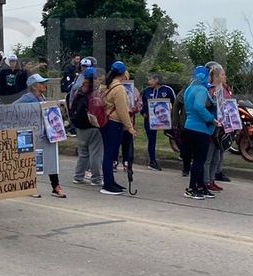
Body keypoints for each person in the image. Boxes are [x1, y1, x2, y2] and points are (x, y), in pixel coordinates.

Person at [17, 73, 66, 198]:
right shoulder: (27, 98)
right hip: (33, 134)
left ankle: (55, 186)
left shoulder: (42, 97)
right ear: (34, 87)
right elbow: (13, 108)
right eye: (41, 83)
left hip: (46, 134)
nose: (44, 85)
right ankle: (30, 186)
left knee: (51, 158)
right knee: (31, 159)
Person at [182, 65, 219, 200]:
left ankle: (201, 186)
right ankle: (192, 188)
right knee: (199, 160)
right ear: (204, 76)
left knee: (199, 159)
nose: (210, 78)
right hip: (200, 128)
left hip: (189, 126)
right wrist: (211, 119)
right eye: (208, 75)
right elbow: (199, 106)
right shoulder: (202, 90)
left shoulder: (189, 89)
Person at [99, 62, 136, 195]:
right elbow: (122, 111)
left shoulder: (106, 86)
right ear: (123, 73)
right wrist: (130, 127)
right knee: (110, 154)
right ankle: (108, 184)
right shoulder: (119, 88)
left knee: (109, 153)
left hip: (106, 122)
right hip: (114, 123)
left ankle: (110, 181)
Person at [70, 67, 104, 186]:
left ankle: (78, 177)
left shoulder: (79, 89)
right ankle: (96, 179)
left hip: (80, 126)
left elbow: (72, 106)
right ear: (95, 78)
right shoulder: (96, 92)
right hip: (93, 125)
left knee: (83, 154)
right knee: (96, 154)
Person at [139, 73, 175, 171]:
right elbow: (141, 104)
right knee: (151, 140)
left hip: (165, 119)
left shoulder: (167, 90)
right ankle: (152, 161)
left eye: (150, 79)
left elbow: (175, 103)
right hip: (150, 120)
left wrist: (171, 113)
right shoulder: (146, 91)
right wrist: (143, 113)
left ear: (157, 80)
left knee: (174, 136)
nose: (148, 82)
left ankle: (183, 155)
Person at [202, 62, 229, 191]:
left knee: (216, 157)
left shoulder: (224, 89)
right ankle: (206, 181)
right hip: (212, 127)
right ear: (217, 76)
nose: (225, 77)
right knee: (208, 156)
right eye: (223, 75)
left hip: (222, 128)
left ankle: (212, 179)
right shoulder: (210, 90)